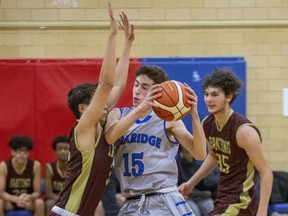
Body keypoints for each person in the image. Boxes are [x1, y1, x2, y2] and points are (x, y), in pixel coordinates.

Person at [47, 3, 134, 216]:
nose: (106, 104)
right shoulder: (84, 129)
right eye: (98, 101)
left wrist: (128, 44)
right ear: (84, 108)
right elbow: (106, 83)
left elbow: (119, 85)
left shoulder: (100, 124)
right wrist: (112, 35)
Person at [105, 65, 207, 215]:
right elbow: (110, 137)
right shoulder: (117, 114)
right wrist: (141, 108)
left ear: (158, 92)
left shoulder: (168, 120)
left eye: (145, 87)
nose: (137, 90)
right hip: (132, 202)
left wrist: (194, 115)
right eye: (136, 85)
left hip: (163, 198)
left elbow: (199, 154)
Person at [178, 68, 273, 216]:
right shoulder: (208, 124)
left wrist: (262, 211)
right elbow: (214, 156)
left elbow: (266, 171)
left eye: (215, 95)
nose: (209, 99)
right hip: (223, 196)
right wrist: (191, 183)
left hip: (242, 201)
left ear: (228, 96)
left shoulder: (244, 131)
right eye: (206, 94)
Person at [0, 135, 45, 216]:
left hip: (27, 201)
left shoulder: (35, 165)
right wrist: (16, 199)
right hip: (10, 201)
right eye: (18, 151)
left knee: (40, 203)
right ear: (12, 152)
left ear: (28, 153)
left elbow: (37, 192)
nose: (22, 154)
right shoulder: (4, 166)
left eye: (25, 152)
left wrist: (29, 197)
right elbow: (1, 192)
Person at [177, 146, 218, 216]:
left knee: (211, 208)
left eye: (191, 153)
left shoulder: (197, 166)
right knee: (194, 211)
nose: (190, 155)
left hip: (200, 197)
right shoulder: (178, 167)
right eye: (187, 153)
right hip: (187, 198)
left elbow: (205, 185)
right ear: (181, 153)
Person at [44, 135, 70, 213]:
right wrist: (61, 200)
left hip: (71, 199)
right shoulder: (50, 167)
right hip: (55, 199)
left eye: (66, 149)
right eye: (59, 149)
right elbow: (48, 193)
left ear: (70, 150)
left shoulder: (75, 168)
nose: (62, 151)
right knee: (49, 203)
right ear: (55, 151)